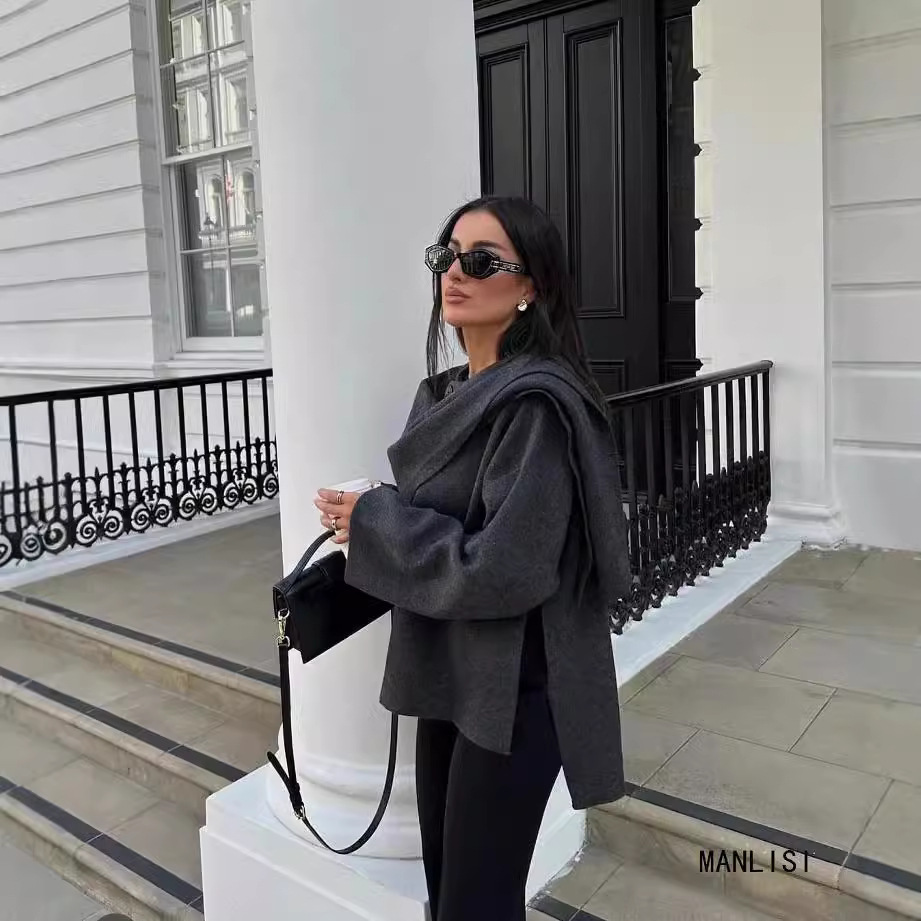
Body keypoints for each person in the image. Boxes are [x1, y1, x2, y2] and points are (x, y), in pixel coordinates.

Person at [312, 195, 631, 921]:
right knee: (446, 888)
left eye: (482, 261)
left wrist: (378, 520)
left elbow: (505, 569)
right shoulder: (442, 394)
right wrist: (371, 514)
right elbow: (447, 518)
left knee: (475, 904)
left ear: (529, 287)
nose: (454, 273)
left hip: (514, 684)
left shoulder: (535, 407)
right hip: (448, 668)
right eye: (446, 256)